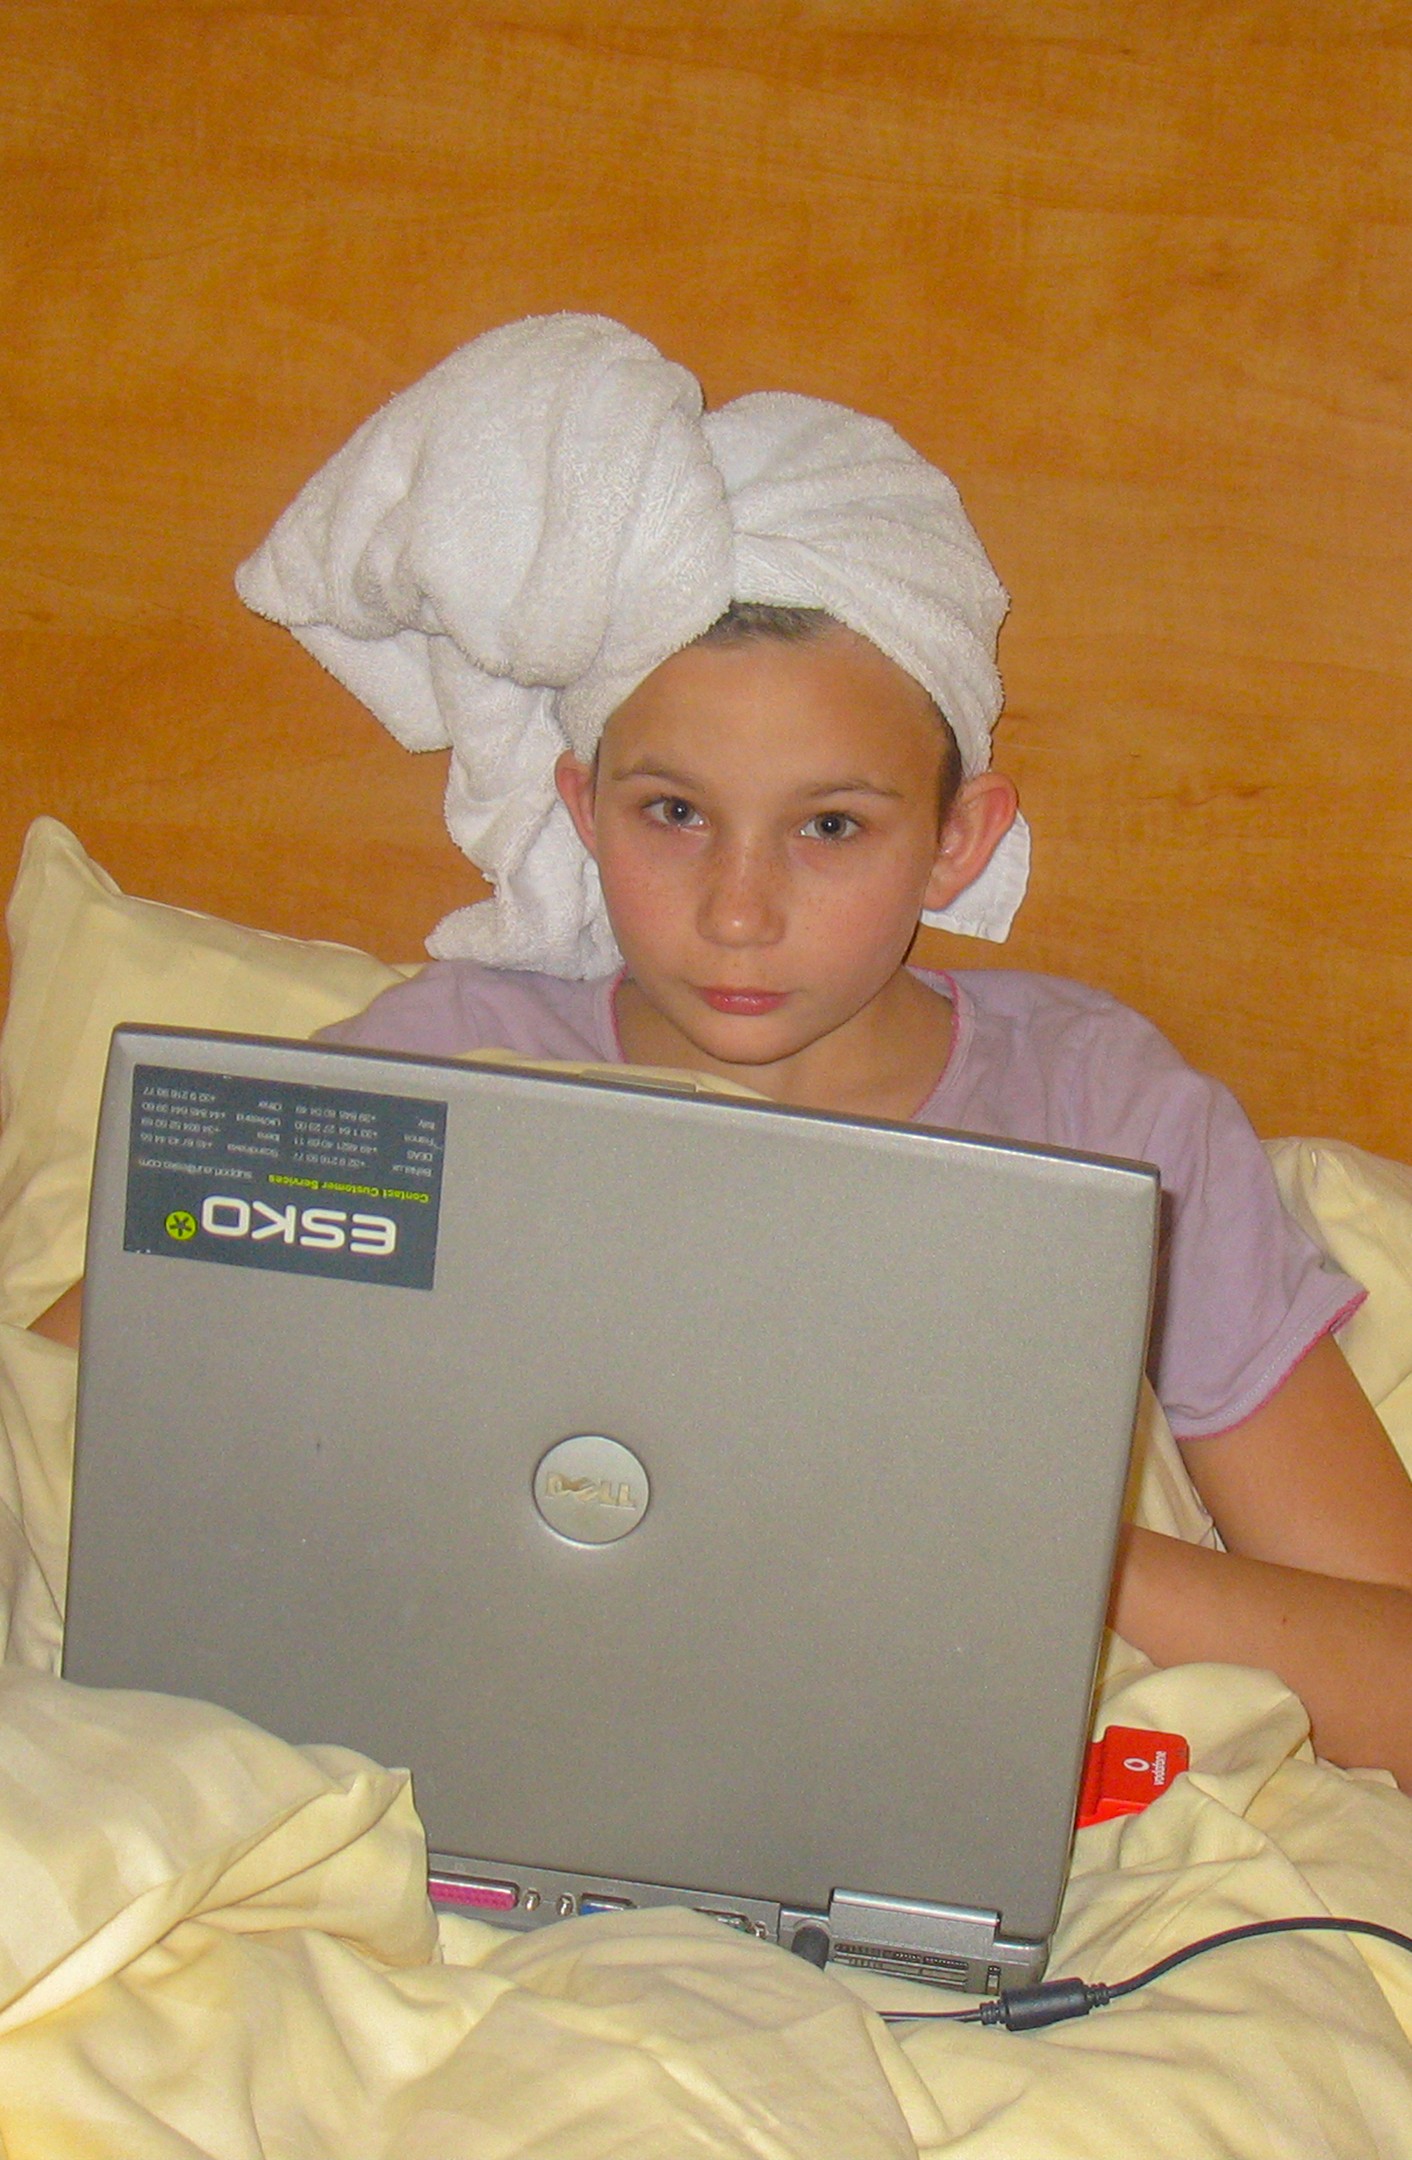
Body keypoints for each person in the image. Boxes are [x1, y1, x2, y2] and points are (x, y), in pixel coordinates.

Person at [35, 315, 1412, 1786]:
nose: (738, 913)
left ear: (959, 840)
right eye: (675, 813)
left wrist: (1040, 1558)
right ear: (582, 806)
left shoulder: (1104, 1110)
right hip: (458, 1767)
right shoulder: (438, 1070)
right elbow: (46, 1426)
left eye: (831, 826)